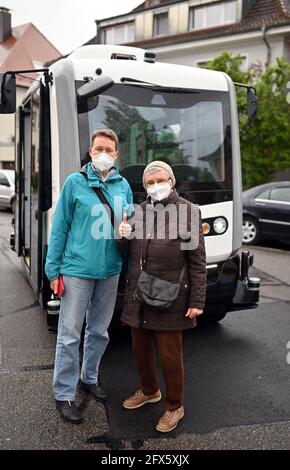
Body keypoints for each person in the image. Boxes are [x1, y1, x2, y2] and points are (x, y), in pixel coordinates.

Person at [45, 128, 133, 424]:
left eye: (109, 149)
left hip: (110, 270)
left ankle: (89, 377)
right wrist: (52, 268)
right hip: (76, 270)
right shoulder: (75, 183)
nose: (104, 154)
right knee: (70, 334)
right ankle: (64, 393)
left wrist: (128, 230)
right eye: (99, 149)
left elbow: (129, 220)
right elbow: (60, 228)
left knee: (99, 330)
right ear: (91, 152)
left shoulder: (124, 186)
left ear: (116, 154)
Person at [118, 161, 207, 433]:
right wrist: (121, 236)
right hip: (139, 293)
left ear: (171, 180)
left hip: (170, 294)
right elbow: (126, 253)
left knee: (170, 355)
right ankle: (149, 391)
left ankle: (174, 406)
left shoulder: (189, 211)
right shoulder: (138, 211)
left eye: (160, 179)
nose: (156, 185)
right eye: (150, 182)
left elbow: (197, 260)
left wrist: (196, 301)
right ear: (144, 187)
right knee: (140, 349)